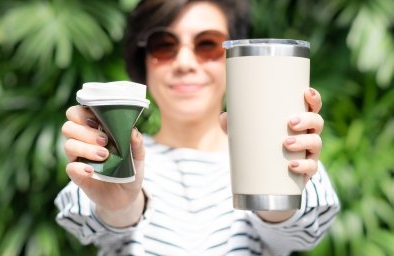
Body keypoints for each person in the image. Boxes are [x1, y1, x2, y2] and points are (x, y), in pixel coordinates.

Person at [55, 0, 340, 255]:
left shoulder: (292, 157)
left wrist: (274, 179)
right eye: (164, 45)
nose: (185, 63)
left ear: (237, 58)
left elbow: (296, 237)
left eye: (208, 45)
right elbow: (92, 223)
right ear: (142, 61)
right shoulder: (114, 157)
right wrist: (120, 203)